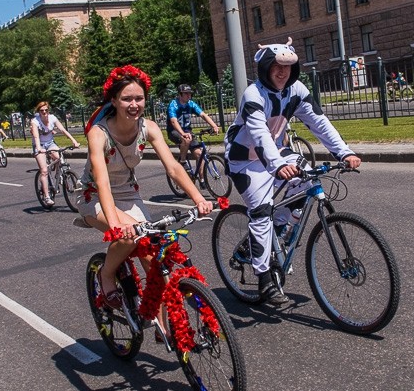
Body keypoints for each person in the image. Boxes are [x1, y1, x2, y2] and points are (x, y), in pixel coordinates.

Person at [224, 37, 361, 305]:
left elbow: (319, 122)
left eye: (287, 67)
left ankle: (279, 228)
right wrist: (277, 166)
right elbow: (260, 136)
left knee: (309, 179)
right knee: (261, 211)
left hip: (276, 152)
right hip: (245, 160)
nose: (282, 72)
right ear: (264, 68)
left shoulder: (296, 90)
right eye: (276, 66)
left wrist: (344, 151)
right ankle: (264, 281)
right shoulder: (253, 95)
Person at [77, 65, 214, 311]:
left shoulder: (148, 127)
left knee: (154, 260)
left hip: (128, 193)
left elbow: (173, 167)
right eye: (127, 98)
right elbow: (102, 181)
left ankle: (164, 326)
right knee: (130, 237)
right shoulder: (98, 134)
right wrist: (117, 226)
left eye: (139, 98)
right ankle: (106, 275)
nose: (134, 104)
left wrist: (198, 198)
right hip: (94, 196)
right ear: (114, 101)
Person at [167, 84, 220, 185]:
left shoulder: (191, 104)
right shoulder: (174, 105)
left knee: (199, 154)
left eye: (190, 94)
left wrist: (214, 126)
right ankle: (182, 161)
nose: (189, 96)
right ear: (180, 94)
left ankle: (202, 179)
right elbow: (173, 121)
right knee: (186, 139)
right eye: (186, 94)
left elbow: (203, 115)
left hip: (188, 130)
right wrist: (182, 133)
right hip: (174, 131)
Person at [30, 101, 80, 207]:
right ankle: (47, 197)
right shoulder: (35, 121)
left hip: (50, 143)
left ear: (49, 110)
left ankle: (60, 176)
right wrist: (39, 148)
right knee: (44, 171)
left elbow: (62, 129)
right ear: (38, 111)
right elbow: (36, 137)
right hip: (40, 146)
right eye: (41, 110)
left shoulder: (52, 118)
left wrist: (74, 141)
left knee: (59, 157)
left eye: (46, 110)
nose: (44, 112)